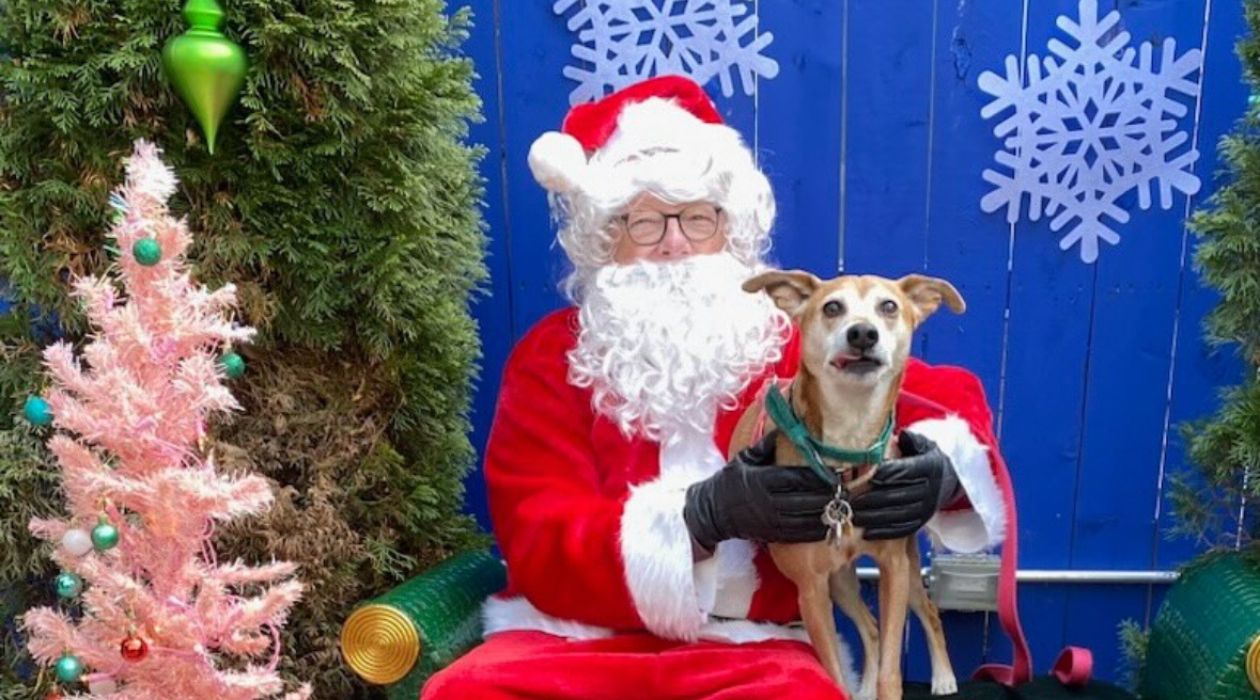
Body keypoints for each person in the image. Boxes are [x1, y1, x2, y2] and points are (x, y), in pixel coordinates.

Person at [421, 76, 1007, 700]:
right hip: (572, 638)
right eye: (645, 222)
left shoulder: (793, 341)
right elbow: (536, 529)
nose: (675, 243)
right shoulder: (553, 355)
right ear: (603, 238)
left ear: (732, 229)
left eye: (698, 217)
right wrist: (699, 519)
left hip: (754, 645)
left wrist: (940, 472)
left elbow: (938, 396)